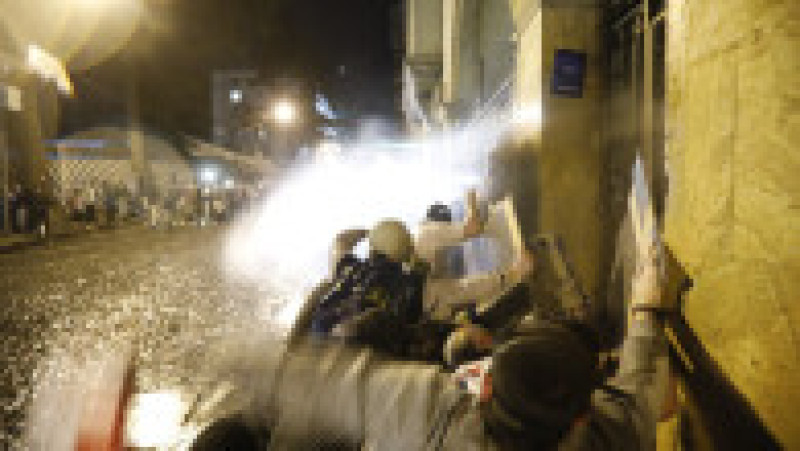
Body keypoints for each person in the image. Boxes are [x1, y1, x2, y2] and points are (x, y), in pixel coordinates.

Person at [193, 243, 670, 450]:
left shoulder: (435, 416)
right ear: (581, 415)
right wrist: (646, 312)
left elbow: (345, 383)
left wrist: (236, 361)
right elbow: (640, 390)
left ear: (485, 393)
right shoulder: (608, 433)